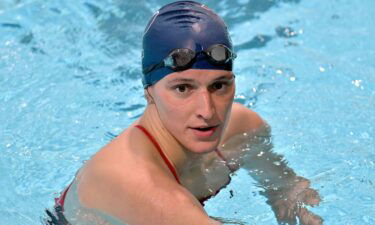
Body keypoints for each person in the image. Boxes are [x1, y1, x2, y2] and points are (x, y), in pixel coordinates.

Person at [45, 1, 323, 225]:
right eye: (182, 88)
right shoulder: (143, 187)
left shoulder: (245, 129)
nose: (207, 111)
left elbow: (286, 188)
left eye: (219, 85)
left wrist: (293, 200)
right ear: (148, 93)